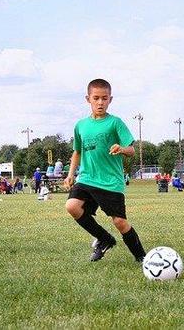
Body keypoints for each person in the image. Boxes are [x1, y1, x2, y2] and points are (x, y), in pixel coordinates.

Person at [63, 78, 146, 262]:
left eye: (104, 98)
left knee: (119, 222)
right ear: (88, 99)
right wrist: (70, 174)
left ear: (110, 99)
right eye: (96, 98)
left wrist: (121, 149)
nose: (100, 102)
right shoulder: (81, 125)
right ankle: (104, 239)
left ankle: (141, 258)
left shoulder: (115, 123)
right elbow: (77, 152)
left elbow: (132, 150)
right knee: (72, 206)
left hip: (110, 181)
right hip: (86, 178)